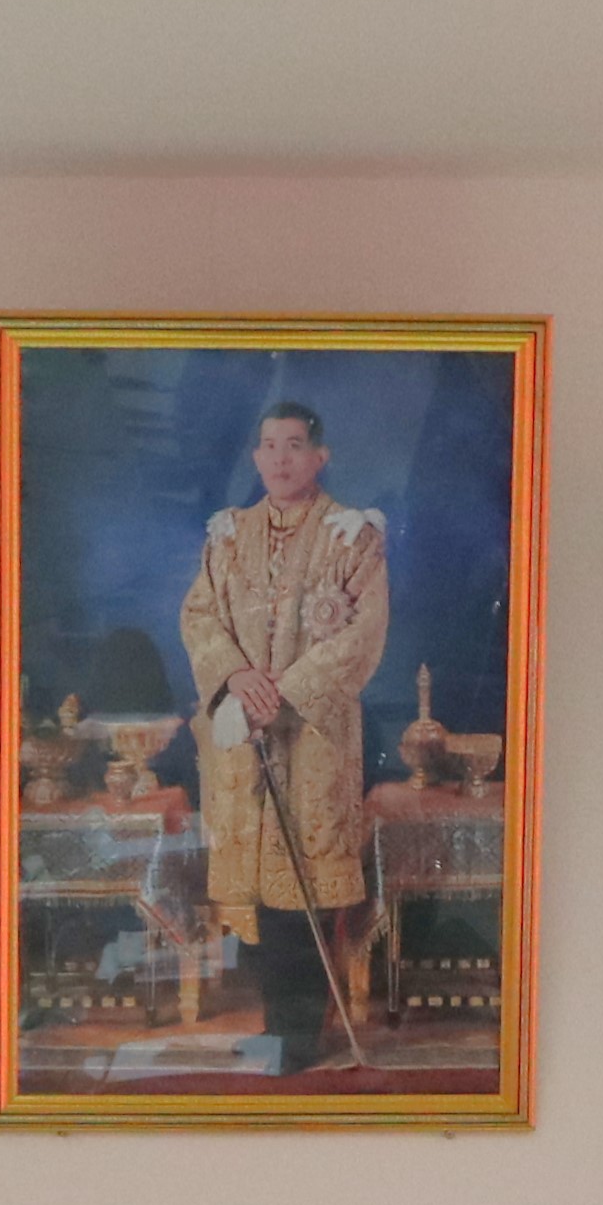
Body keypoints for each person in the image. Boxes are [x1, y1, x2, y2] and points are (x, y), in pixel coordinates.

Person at [178, 399, 389, 1068]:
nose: (280, 458)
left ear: (319, 456)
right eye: (269, 446)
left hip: (313, 737)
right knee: (261, 892)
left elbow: (363, 634)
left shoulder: (352, 536)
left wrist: (286, 691)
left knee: (303, 885)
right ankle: (277, 1029)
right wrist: (238, 677)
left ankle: (300, 1036)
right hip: (245, 733)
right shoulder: (227, 536)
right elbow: (199, 615)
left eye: (294, 445)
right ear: (255, 456)